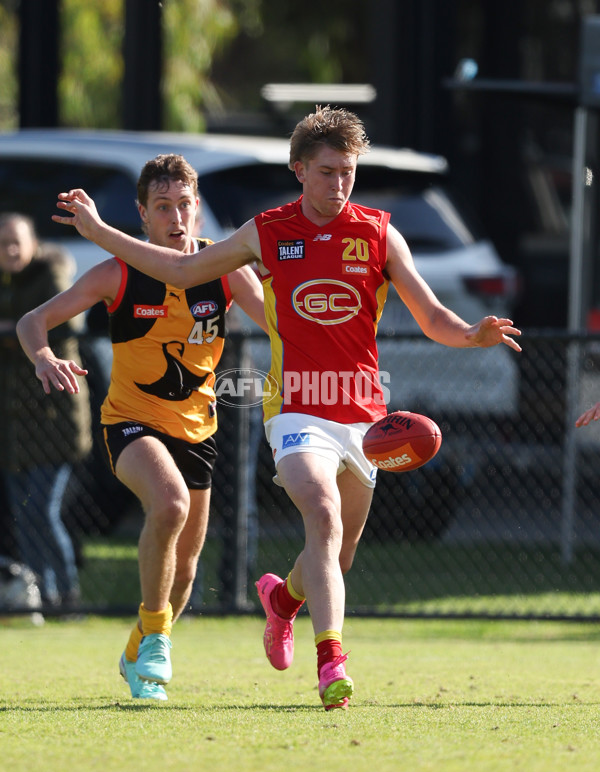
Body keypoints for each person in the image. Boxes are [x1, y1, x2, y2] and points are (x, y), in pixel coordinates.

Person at [50, 106, 522, 711]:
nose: (339, 183)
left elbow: (433, 318)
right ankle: (332, 663)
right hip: (296, 409)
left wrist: (471, 333)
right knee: (320, 513)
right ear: (300, 170)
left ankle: (284, 601)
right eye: (327, 171)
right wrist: (99, 233)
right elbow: (183, 267)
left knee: (337, 553)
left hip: (361, 413)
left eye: (348, 171)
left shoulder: (379, 231)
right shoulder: (267, 230)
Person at [18, 154, 267, 700]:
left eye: (184, 206)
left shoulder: (224, 272)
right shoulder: (117, 273)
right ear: (143, 215)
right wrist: (42, 356)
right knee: (170, 505)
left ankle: (140, 645)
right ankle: (155, 640)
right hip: (130, 424)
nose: (176, 218)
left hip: (199, 432)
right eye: (163, 207)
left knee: (185, 575)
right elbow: (32, 320)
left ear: (198, 211)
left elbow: (280, 322)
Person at [0, 212, 91, 609]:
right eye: (3, 244)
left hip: (55, 419)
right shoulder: (8, 284)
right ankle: (40, 596)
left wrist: (11, 331)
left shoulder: (51, 277)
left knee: (41, 510)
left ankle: (67, 595)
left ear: (34, 242)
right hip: (14, 424)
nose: (12, 250)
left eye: (17, 241)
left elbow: (64, 327)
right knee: (24, 516)